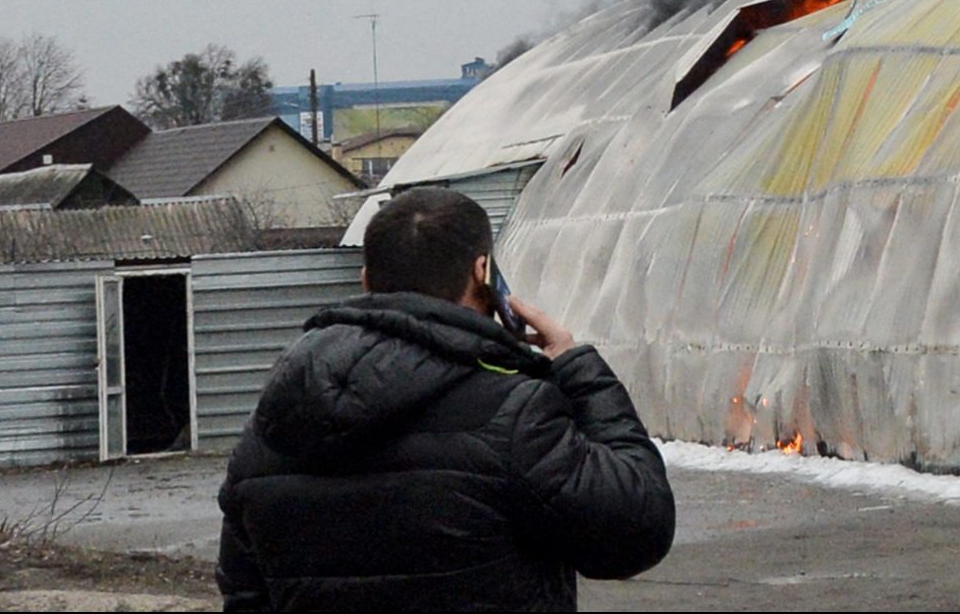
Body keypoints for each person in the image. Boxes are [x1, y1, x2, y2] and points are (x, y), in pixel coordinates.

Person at [218, 187, 675, 611]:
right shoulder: (514, 412)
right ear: (483, 274)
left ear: (365, 281)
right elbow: (636, 530)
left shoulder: (272, 422)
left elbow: (245, 595)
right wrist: (577, 367)